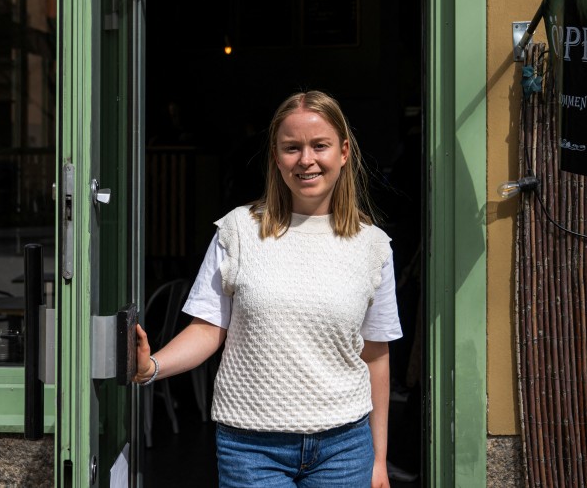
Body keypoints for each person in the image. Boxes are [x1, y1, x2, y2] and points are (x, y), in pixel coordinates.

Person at [134, 90, 402, 487]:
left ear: (343, 152)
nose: (306, 159)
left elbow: (376, 354)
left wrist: (379, 460)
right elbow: (208, 329)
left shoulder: (372, 245)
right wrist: (150, 368)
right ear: (276, 158)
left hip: (345, 448)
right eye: (292, 148)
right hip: (251, 449)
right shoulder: (238, 231)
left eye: (319, 146)